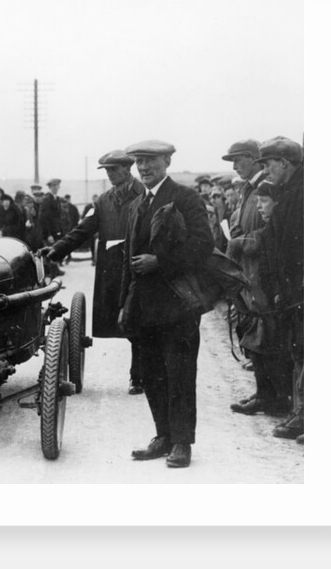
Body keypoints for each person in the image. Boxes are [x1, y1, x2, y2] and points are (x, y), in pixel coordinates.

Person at [119, 140, 214, 469]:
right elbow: (127, 261)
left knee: (180, 374)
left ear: (168, 161)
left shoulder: (186, 198)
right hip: (145, 308)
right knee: (152, 374)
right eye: (139, 162)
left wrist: (160, 261)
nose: (144, 167)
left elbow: (204, 244)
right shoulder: (136, 205)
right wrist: (123, 304)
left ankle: (182, 443)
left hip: (178, 306)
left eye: (151, 161)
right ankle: (162, 436)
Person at [44, 150, 145, 394]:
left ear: (127, 168)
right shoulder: (103, 201)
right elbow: (83, 230)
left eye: (114, 170)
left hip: (138, 266)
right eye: (107, 171)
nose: (110, 175)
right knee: (120, 319)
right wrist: (56, 250)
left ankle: (139, 376)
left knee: (140, 321)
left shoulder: (143, 194)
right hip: (112, 269)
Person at [226, 180, 293, 416]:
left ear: (277, 202)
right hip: (265, 294)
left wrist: (241, 240)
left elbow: (258, 242)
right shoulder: (270, 225)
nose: (260, 207)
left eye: (264, 202)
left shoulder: (279, 225)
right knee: (259, 344)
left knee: (271, 346)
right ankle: (266, 395)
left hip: (276, 296)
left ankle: (276, 399)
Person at [255, 136, 304, 443]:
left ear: (285, 163)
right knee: (299, 350)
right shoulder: (289, 193)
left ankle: (303, 417)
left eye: (269, 164)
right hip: (292, 291)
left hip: (302, 290)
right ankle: (301, 414)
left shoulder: (302, 193)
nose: (266, 170)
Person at [39, 177, 64, 245]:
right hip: (50, 236)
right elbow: (43, 219)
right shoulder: (47, 200)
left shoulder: (57, 199)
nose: (56, 187)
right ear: (50, 187)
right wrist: (48, 235)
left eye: (57, 185)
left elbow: (58, 217)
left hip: (57, 233)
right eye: (54, 186)